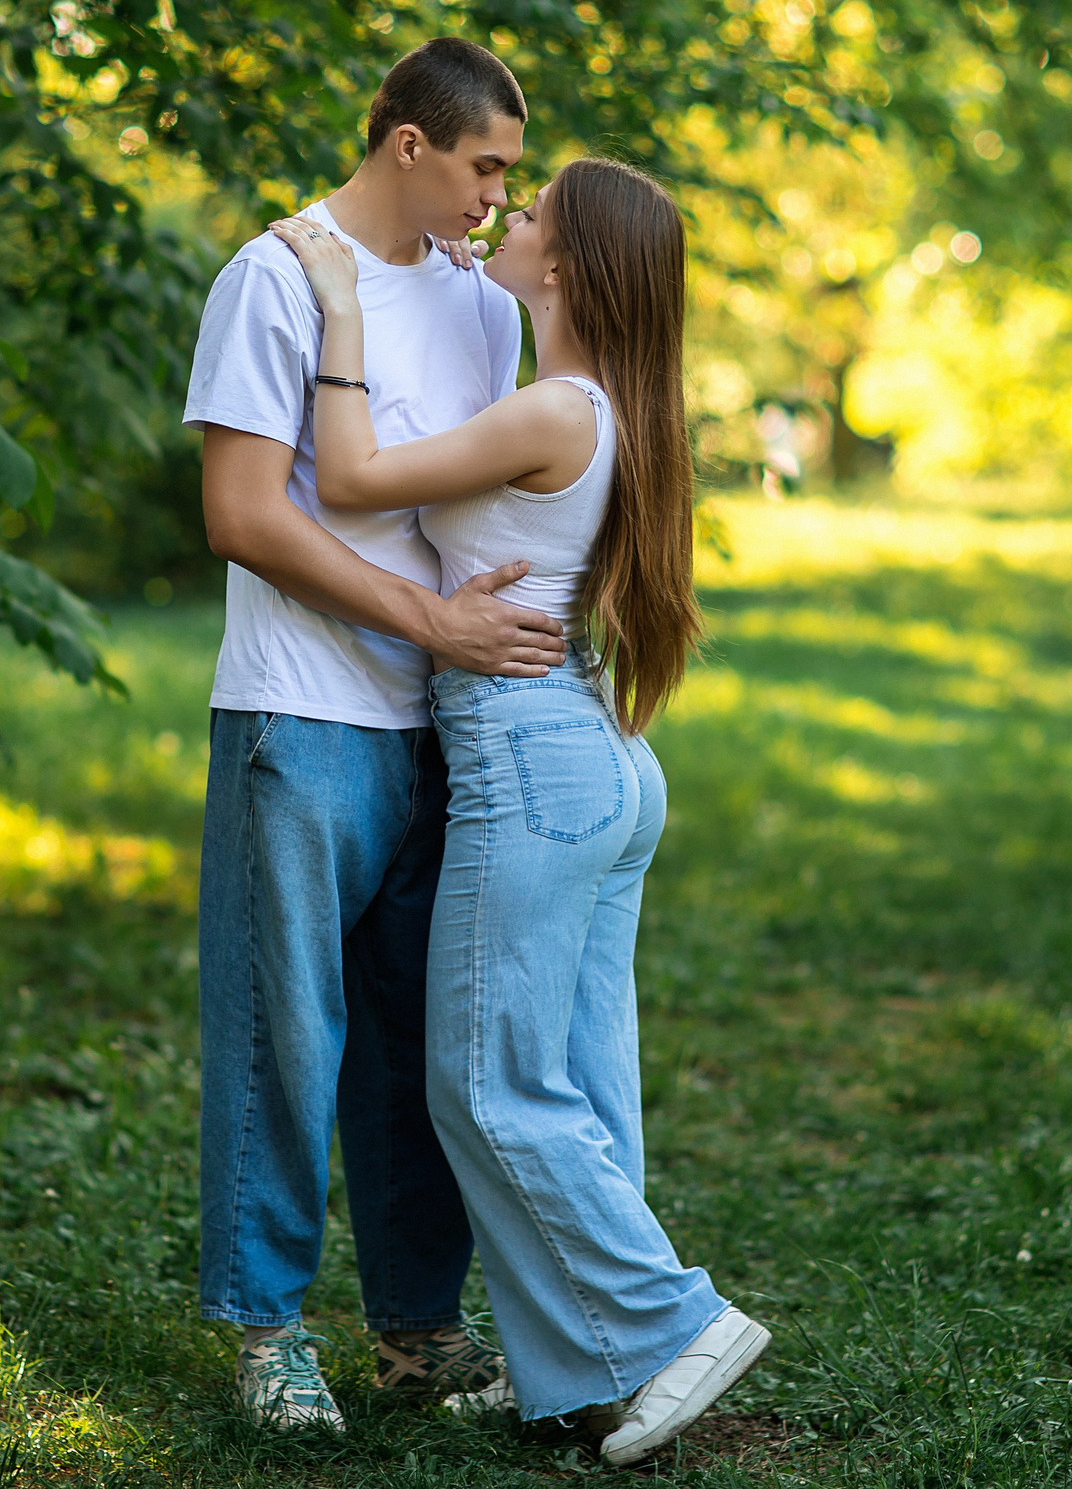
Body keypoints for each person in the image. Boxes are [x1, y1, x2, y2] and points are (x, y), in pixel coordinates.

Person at [268, 156, 770, 1467]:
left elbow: (353, 475)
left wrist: (338, 299)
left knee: (487, 1082)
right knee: (578, 1089)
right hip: (591, 757)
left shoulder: (554, 409)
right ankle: (582, 1370)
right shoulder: (601, 409)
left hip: (537, 766)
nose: (510, 216)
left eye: (533, 210)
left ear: (571, 263)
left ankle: (672, 1325)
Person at [182, 38, 571, 1430]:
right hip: (302, 714)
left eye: (507, 179)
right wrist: (432, 622)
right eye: (485, 169)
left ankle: (419, 1331)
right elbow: (243, 514)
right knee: (283, 1030)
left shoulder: (479, 308)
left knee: (425, 1041)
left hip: (447, 730)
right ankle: (266, 1329)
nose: (494, 200)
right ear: (409, 144)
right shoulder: (275, 277)